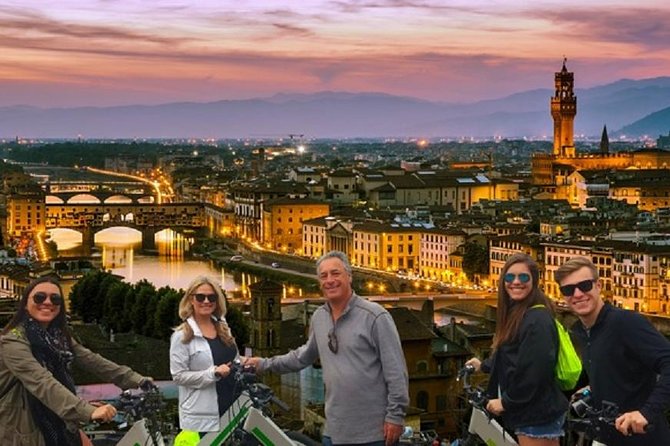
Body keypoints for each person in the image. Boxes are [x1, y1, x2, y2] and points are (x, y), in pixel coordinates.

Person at [245, 250, 409, 446]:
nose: (329, 280)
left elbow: (397, 372)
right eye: (324, 276)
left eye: (335, 273)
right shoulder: (319, 317)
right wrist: (263, 364)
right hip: (334, 432)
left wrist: (395, 416)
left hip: (373, 433)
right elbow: (302, 357)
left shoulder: (375, 316)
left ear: (349, 276)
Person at [0, 276, 150, 446]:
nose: (48, 302)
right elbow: (40, 381)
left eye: (55, 299)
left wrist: (137, 380)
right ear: (25, 304)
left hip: (55, 414)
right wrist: (87, 411)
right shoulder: (12, 341)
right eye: (39, 297)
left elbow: (92, 360)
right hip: (21, 426)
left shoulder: (59, 337)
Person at [555, 257, 670, 445]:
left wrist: (646, 412)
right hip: (606, 438)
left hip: (643, 439)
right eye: (568, 289)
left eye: (584, 285)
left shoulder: (626, 323)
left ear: (599, 286)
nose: (577, 294)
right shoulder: (583, 332)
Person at [466, 253, 568, 446]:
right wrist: (484, 365)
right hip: (532, 412)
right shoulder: (521, 313)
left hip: (536, 414)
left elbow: (534, 372)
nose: (516, 282)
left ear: (534, 281)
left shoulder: (536, 319)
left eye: (523, 277)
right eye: (509, 277)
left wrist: (506, 402)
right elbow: (511, 354)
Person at [170, 276, 238, 436]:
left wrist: (245, 363)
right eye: (200, 297)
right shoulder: (182, 336)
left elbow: (233, 359)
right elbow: (178, 376)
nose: (206, 301)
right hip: (203, 415)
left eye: (212, 297)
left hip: (233, 405)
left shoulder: (223, 328)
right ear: (190, 300)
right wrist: (213, 373)